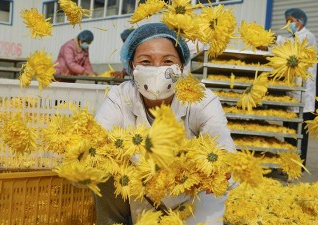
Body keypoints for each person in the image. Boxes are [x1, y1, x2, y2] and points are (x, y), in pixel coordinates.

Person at [94, 23, 236, 225]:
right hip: (140, 192)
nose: (157, 70)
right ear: (132, 66)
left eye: (167, 60)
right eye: (146, 61)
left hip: (191, 195)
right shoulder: (120, 97)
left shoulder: (200, 99)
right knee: (103, 168)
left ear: (181, 66)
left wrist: (218, 167)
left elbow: (220, 140)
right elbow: (96, 138)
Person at [278, 8, 317, 166]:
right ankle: (287, 164)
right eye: (286, 21)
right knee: (289, 134)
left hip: (303, 97)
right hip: (292, 95)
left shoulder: (308, 36)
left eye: (290, 21)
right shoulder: (293, 37)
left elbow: (293, 45)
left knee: (299, 135)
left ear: (300, 21)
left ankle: (298, 166)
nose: (288, 24)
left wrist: (274, 39)